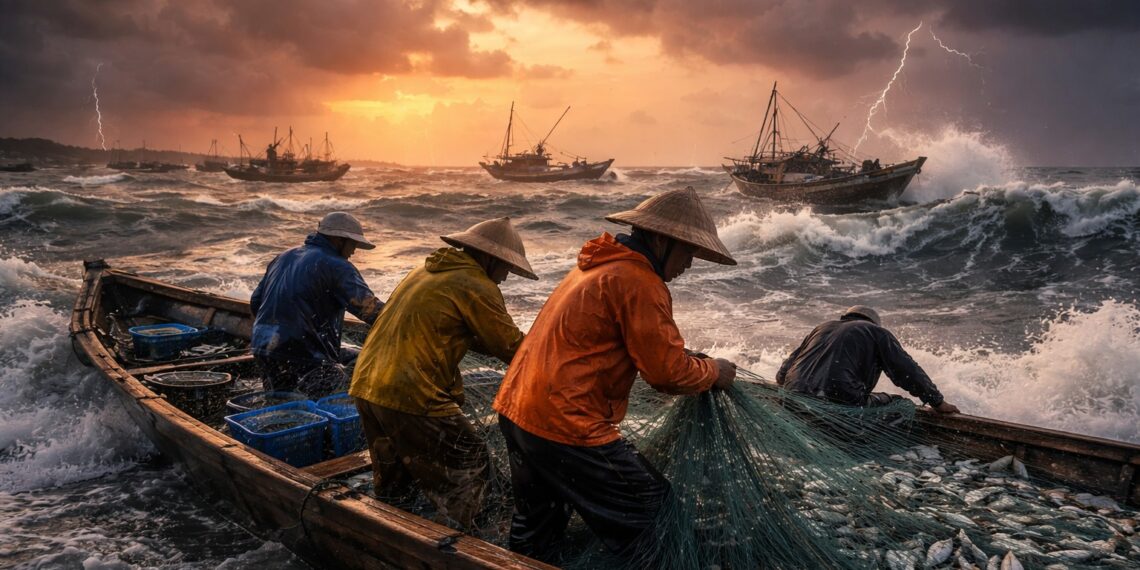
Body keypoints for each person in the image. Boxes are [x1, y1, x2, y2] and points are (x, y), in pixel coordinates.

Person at [492, 186, 738, 563]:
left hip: (517, 410)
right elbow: (667, 374)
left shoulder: (596, 266)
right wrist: (714, 371)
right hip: (566, 424)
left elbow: (619, 342)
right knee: (655, 514)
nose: (689, 264)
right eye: (688, 251)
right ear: (659, 239)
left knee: (537, 527)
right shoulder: (639, 280)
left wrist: (687, 357)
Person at [349, 217, 537, 529]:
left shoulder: (423, 272)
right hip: (412, 394)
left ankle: (390, 538)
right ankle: (468, 543)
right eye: (505, 268)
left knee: (395, 481)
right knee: (471, 461)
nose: (504, 278)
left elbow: (463, 332)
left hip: (367, 385)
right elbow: (513, 348)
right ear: (489, 259)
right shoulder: (477, 285)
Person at [249, 212, 384, 396]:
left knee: (281, 402)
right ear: (338, 240)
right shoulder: (338, 266)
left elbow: (255, 302)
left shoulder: (283, 256)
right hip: (304, 355)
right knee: (340, 392)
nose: (353, 251)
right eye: (353, 244)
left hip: (263, 348)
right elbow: (371, 311)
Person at [776, 305, 961, 413]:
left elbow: (782, 375)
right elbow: (907, 371)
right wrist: (937, 402)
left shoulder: (822, 327)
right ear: (873, 322)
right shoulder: (876, 332)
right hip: (842, 400)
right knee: (900, 404)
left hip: (793, 398)